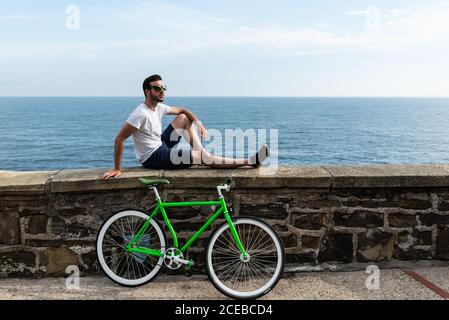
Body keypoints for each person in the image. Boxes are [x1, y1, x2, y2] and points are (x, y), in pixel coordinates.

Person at [102, 74, 269, 179]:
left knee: (183, 118)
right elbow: (119, 139)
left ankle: (202, 153)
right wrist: (118, 168)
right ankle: (249, 161)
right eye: (157, 88)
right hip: (152, 157)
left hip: (160, 144)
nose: (162, 91)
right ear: (147, 91)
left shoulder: (158, 107)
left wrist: (199, 124)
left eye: (163, 88)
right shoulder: (140, 113)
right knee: (201, 158)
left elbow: (183, 110)